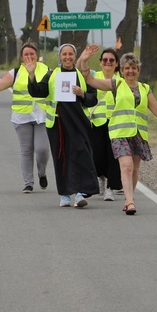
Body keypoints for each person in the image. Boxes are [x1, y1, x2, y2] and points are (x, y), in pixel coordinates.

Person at [80, 47, 157, 215]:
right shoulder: (117, 84)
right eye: (127, 68)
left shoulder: (145, 88)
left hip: (139, 134)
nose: (130, 71)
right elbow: (91, 80)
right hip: (120, 132)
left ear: (138, 70)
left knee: (135, 169)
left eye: (134, 68)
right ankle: (130, 202)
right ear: (121, 70)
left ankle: (128, 197)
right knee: (127, 167)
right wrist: (85, 61)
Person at [26, 43, 100, 208]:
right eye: (64, 54)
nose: (67, 57)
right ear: (60, 56)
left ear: (75, 56)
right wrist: (31, 75)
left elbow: (93, 99)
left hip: (79, 122)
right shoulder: (52, 74)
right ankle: (65, 194)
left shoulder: (83, 74)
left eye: (70, 54)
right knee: (62, 157)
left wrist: (82, 94)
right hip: (57, 123)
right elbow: (38, 91)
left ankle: (81, 192)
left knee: (81, 153)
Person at [0, 42, 50, 194]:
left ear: (37, 55)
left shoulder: (46, 70)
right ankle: (28, 183)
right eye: (26, 54)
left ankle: (42, 172)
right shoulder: (16, 72)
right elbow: (2, 84)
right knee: (26, 150)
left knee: (42, 149)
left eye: (32, 54)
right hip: (22, 116)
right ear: (22, 57)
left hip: (42, 116)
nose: (29, 57)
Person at [76, 47, 123, 201]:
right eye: (105, 60)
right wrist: (83, 59)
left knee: (113, 157)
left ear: (116, 63)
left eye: (111, 60)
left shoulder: (121, 81)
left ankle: (110, 187)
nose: (108, 62)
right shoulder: (95, 76)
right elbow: (80, 73)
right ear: (100, 62)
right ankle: (100, 178)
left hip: (116, 123)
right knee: (97, 155)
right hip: (97, 121)